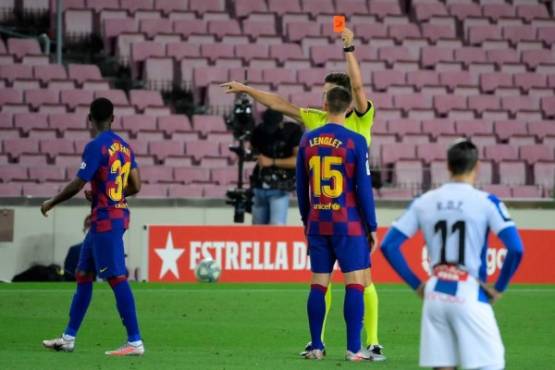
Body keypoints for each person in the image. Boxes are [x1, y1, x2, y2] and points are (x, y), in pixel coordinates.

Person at [222, 27, 385, 360]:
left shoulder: (361, 117)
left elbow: (357, 86)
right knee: (354, 278)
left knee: (343, 279)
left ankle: (371, 340)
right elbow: (281, 104)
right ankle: (334, 343)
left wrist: (349, 48)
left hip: (323, 213)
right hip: (348, 214)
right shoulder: (317, 119)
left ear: (337, 97)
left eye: (326, 91)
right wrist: (249, 90)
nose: (321, 96)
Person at [381, 139, 524, 370]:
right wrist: (499, 288)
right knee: (491, 363)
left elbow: (388, 245)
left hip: (435, 294)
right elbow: (516, 248)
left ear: (448, 166)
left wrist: (418, 285)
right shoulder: (487, 202)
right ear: (477, 167)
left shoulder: (424, 201)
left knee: (443, 366)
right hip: (469, 291)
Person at [41, 97, 145, 356]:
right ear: (114, 118)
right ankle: (68, 338)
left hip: (105, 219)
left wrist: (51, 202)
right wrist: (107, 192)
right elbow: (136, 185)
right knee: (83, 274)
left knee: (116, 277)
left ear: (90, 119)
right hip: (111, 214)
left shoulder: (95, 146)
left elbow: (77, 184)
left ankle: (135, 342)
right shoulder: (124, 146)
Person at [296, 86, 378, 361]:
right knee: (355, 283)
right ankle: (354, 348)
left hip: (318, 221)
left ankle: (316, 346)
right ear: (348, 108)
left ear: (325, 103)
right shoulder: (356, 141)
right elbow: (364, 188)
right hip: (349, 223)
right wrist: (373, 226)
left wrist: (307, 221)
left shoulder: (307, 140)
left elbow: (301, 187)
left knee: (318, 284)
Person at [250, 109, 303, 225]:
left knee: (276, 226)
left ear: (281, 123)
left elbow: (298, 161)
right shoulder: (259, 131)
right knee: (256, 230)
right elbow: (252, 150)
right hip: (260, 184)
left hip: (280, 186)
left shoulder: (292, 131)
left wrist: (272, 161)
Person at [63, 215, 92, 281]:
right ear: (84, 230)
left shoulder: (110, 251)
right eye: (88, 226)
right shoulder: (74, 250)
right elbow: (68, 274)